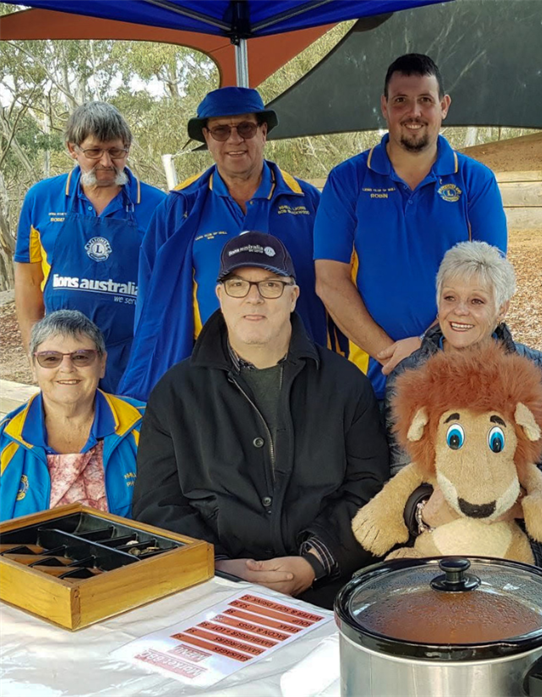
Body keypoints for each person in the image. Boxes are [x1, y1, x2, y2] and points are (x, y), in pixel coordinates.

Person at [131, 233, 387, 608]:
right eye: (238, 285)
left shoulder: (346, 385)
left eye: (270, 285)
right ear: (219, 295)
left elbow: (369, 488)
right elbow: (157, 503)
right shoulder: (175, 393)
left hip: (328, 590)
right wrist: (216, 566)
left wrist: (313, 562)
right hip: (209, 594)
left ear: (293, 296)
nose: (253, 297)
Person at [314, 53, 507, 398]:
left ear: (444, 106)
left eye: (425, 101)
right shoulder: (347, 181)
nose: (414, 112)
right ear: (385, 106)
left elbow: (491, 285)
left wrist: (424, 348)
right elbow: (330, 281)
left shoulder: (476, 181)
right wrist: (392, 355)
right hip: (373, 374)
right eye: (401, 100)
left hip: (460, 369)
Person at [120, 87, 325, 401]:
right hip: (212, 383)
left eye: (245, 127)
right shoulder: (179, 208)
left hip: (298, 377)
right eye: (220, 130)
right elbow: (153, 304)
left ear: (263, 131)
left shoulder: (308, 202)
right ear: (207, 137)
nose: (234, 140)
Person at [385, 241, 542, 578]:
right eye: (450, 298)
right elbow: (399, 466)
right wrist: (423, 511)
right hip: (436, 532)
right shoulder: (409, 374)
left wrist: (505, 505)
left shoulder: (538, 369)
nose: (460, 311)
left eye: (476, 301)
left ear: (501, 309)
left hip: (517, 531)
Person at [14, 102, 166, 392]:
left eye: (116, 151)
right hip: (64, 358)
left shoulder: (159, 205)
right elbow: (28, 279)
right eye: (94, 152)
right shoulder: (41, 199)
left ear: (128, 148)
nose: (106, 162)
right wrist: (35, 352)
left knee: (131, 434)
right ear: (73, 150)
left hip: (133, 357)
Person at [1, 310, 144, 521]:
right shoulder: (5, 440)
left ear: (102, 363)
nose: (67, 368)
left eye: (81, 357)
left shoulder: (146, 424)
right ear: (33, 367)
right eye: (50, 359)